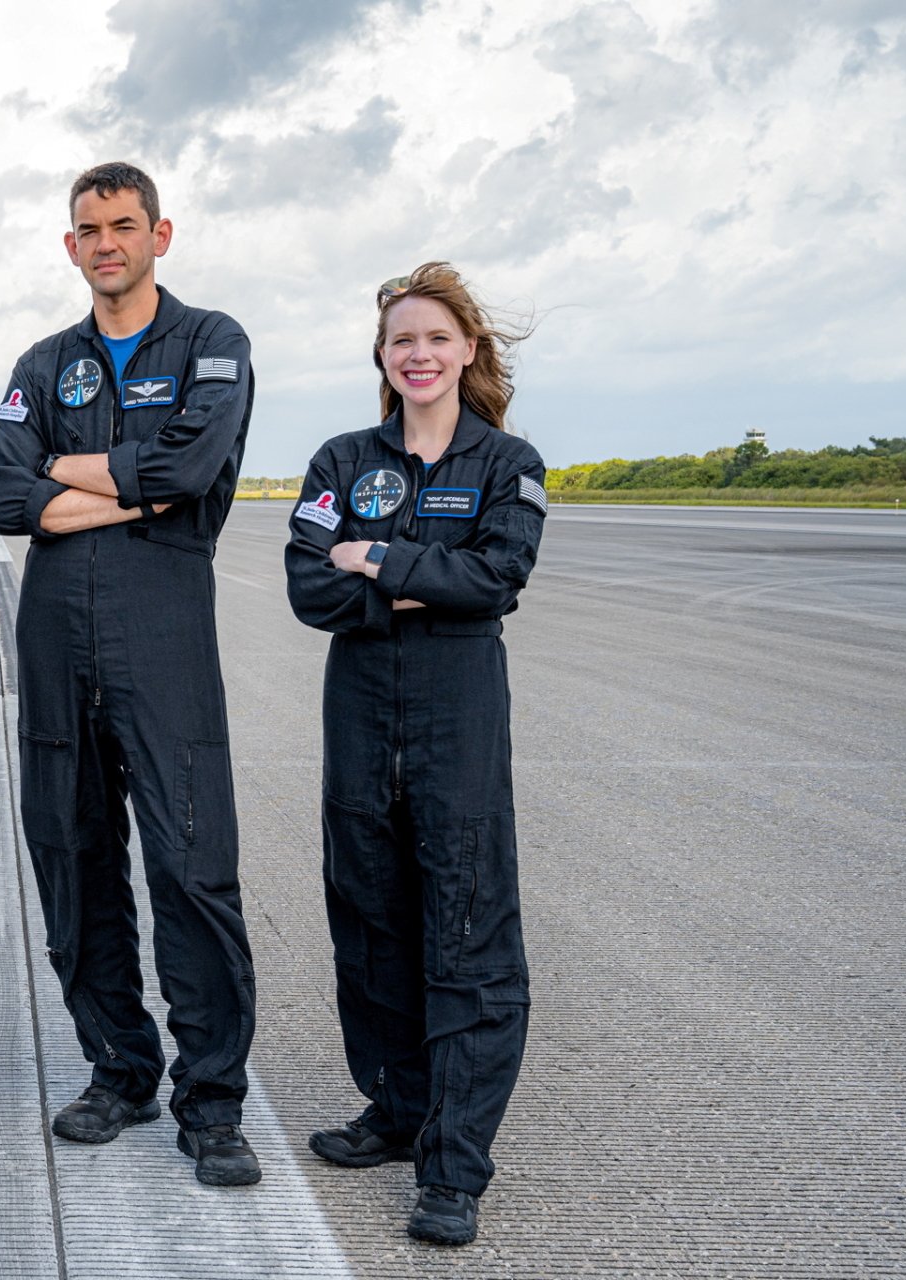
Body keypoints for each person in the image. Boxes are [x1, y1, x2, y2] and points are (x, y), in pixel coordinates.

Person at [0, 163, 261, 1187]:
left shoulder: (212, 343)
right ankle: (119, 1066)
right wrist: (129, 488)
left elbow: (193, 471)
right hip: (58, 639)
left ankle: (213, 1099)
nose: (107, 242)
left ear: (161, 233)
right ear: (70, 246)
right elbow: (4, 494)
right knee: (72, 857)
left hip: (163, 634)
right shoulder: (43, 361)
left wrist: (67, 469)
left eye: (124, 225)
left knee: (192, 867)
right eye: (88, 228)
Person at [284, 262, 547, 1246]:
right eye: (403, 340)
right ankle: (396, 1108)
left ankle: (453, 1164)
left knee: (467, 925)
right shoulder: (341, 458)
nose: (420, 353)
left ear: (467, 350)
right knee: (369, 913)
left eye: (437, 337)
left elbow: (498, 577)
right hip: (360, 710)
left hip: (457, 707)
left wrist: (381, 557)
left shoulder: (506, 461)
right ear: (384, 358)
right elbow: (309, 585)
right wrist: (414, 578)